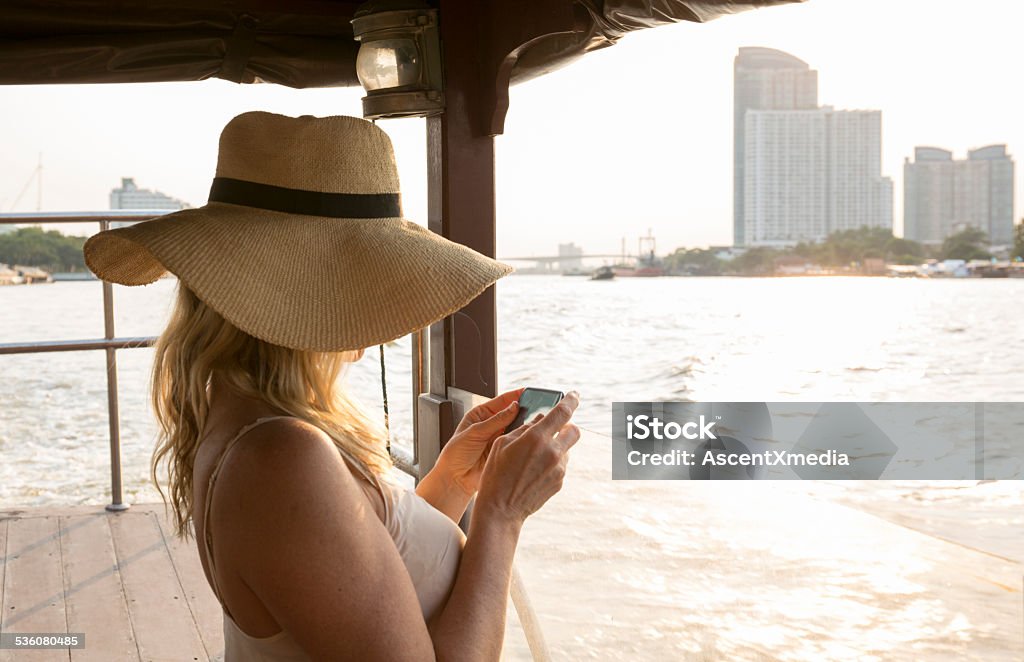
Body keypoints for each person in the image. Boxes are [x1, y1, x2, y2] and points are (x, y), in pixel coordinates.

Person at [83, 111, 581, 661]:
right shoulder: (280, 458)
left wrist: (454, 481)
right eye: (363, 293)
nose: (370, 337)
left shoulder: (246, 425)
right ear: (300, 300)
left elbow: (363, 578)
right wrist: (502, 516)